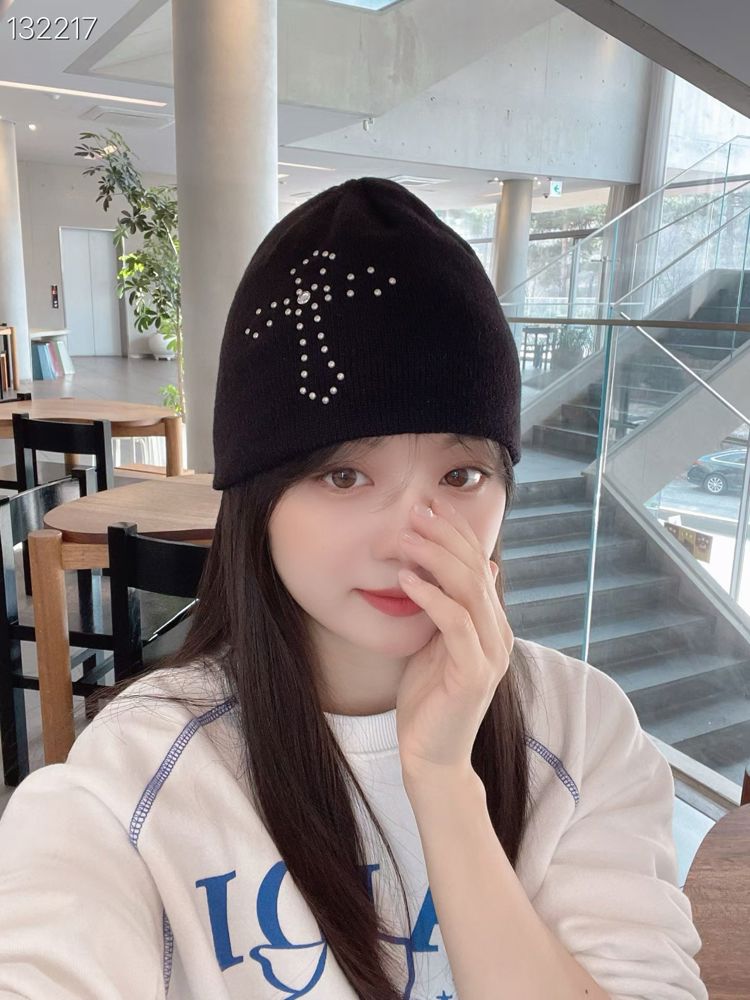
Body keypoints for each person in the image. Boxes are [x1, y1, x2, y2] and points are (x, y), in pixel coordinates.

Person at [0, 178, 707, 1000]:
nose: (411, 539)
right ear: (258, 498)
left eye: (461, 474)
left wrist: (444, 784)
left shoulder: (582, 731)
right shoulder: (139, 774)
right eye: (343, 476)